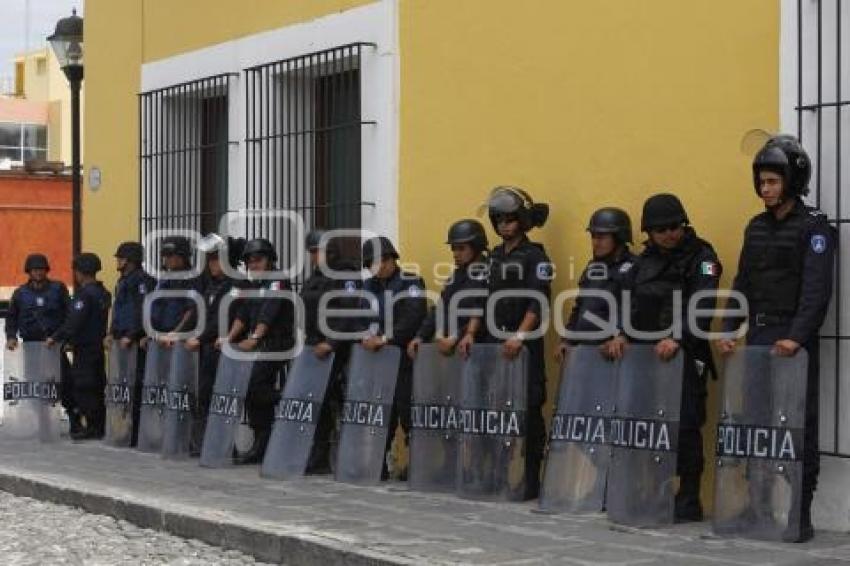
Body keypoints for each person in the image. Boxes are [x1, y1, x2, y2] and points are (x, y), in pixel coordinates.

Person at [717, 135, 834, 542]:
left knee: (797, 426)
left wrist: (797, 338)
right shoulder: (756, 227)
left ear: (792, 179)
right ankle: (759, 505)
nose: (766, 189)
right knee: (756, 423)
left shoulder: (815, 227)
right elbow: (742, 283)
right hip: (760, 338)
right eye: (761, 181)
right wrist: (731, 329)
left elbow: (817, 291)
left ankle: (798, 514)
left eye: (773, 181)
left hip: (793, 342)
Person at [628, 193, 721, 522]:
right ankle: (653, 489)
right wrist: (620, 335)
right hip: (646, 357)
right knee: (648, 427)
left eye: (674, 226)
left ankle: (689, 496)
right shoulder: (643, 262)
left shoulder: (702, 257)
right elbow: (629, 303)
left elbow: (704, 303)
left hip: (684, 354)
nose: (669, 234)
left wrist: (677, 337)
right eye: (660, 229)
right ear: (648, 232)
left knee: (685, 425)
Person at [459, 186, 552, 499]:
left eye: (511, 219)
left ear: (522, 221)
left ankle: (529, 480)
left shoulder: (536, 256)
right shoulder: (492, 258)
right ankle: (498, 475)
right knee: (494, 412)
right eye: (499, 220)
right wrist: (471, 333)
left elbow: (538, 301)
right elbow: (479, 299)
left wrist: (520, 336)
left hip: (523, 347)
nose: (504, 225)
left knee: (528, 412)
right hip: (493, 346)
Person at [218, 238, 295, 464]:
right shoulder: (253, 285)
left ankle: (289, 397)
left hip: (277, 343)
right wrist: (228, 338)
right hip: (260, 344)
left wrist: (255, 338)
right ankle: (261, 443)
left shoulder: (277, 280)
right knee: (251, 390)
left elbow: (269, 311)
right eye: (249, 261)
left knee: (253, 385)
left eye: (258, 260)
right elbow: (243, 314)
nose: (254, 265)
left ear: (270, 261)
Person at [361, 235, 427, 479]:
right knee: (381, 414)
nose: (376, 268)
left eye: (379, 262)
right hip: (377, 361)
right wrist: (366, 336)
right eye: (371, 264)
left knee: (408, 411)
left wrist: (385, 339)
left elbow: (413, 317)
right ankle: (379, 464)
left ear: (390, 259)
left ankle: (418, 466)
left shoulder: (410, 282)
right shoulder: (368, 286)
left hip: (404, 359)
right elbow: (361, 314)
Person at [299, 229, 362, 473]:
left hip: (338, 349)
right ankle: (318, 453)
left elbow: (348, 311)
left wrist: (332, 342)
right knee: (315, 401)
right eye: (312, 253)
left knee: (331, 400)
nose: (314, 257)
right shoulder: (316, 277)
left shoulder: (345, 274)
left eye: (318, 252)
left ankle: (332, 454)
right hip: (314, 346)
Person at [185, 234, 246, 455]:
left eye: (216, 260)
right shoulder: (211, 285)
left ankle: (228, 445)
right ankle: (204, 442)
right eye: (209, 260)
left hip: (226, 351)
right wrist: (178, 334)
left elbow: (223, 317)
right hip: (208, 351)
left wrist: (199, 339)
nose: (211, 265)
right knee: (205, 395)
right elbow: (198, 314)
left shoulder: (237, 284)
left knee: (225, 399)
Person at [555, 208, 635, 362]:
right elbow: (580, 307)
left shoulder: (633, 268)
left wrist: (622, 336)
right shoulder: (593, 268)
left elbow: (635, 309)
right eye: (593, 236)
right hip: (585, 355)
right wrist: (567, 340)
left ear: (619, 237)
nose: (595, 242)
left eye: (602, 237)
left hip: (614, 355)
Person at [47, 253, 112, 440]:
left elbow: (74, 322)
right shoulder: (103, 292)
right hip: (97, 347)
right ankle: (100, 425)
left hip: (85, 348)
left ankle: (92, 426)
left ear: (80, 272)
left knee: (84, 386)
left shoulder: (85, 295)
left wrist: (57, 337)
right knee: (98, 384)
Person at [5, 254, 73, 429]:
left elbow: (69, 315)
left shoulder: (58, 289)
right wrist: (11, 337)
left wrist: (62, 337)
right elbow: (11, 317)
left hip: (53, 344)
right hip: (31, 346)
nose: (38, 273)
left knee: (63, 383)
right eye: (35, 270)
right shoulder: (20, 293)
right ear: (28, 271)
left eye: (41, 269)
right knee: (34, 383)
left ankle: (74, 417)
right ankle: (43, 421)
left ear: (46, 270)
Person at [408, 219, 489, 358]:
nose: (455, 253)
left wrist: (456, 336)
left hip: (481, 351)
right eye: (453, 248)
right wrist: (420, 336)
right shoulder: (457, 276)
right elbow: (440, 307)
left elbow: (486, 312)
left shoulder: (491, 274)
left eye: (461, 248)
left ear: (476, 247)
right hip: (453, 352)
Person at [105, 242, 156, 446]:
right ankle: (124, 431)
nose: (117, 261)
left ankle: (136, 433)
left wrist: (133, 334)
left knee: (137, 386)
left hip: (135, 343)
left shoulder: (143, 281)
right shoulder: (122, 281)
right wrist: (110, 333)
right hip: (121, 341)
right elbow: (118, 310)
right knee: (122, 388)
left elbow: (143, 310)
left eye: (121, 258)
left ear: (130, 260)